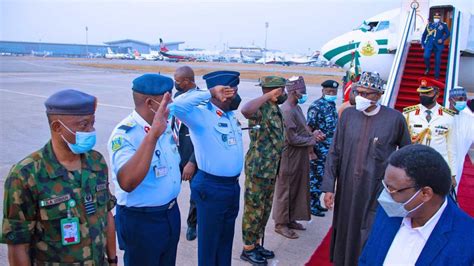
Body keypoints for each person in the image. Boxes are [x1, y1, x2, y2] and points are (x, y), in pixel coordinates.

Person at [1, 89, 117, 265]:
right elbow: (18, 245)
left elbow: (107, 215)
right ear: (57, 127)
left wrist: (113, 260)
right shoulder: (26, 175)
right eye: (83, 125)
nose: (91, 130)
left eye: (92, 123)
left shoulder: (96, 163)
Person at [322, 71, 411, 266]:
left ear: (378, 95)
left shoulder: (395, 119)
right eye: (358, 92)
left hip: (376, 189)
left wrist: (399, 188)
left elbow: (406, 154)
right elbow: (334, 152)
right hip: (347, 187)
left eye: (366, 93)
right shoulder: (348, 116)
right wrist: (329, 187)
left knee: (369, 230)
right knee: (344, 229)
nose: (360, 97)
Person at [359, 144, 474, 265]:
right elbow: (367, 259)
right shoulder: (389, 210)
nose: (386, 196)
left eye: (392, 189)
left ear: (425, 193)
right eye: (386, 186)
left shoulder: (467, 240)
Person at [108, 74, 180, 265]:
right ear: (150, 103)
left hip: (170, 214)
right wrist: (152, 136)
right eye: (167, 98)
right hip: (142, 221)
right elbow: (127, 182)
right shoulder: (125, 135)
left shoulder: (165, 125)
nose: (171, 102)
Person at [172, 70, 242, 266]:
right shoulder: (200, 116)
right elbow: (174, 107)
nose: (235, 96)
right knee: (209, 244)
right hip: (212, 186)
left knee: (225, 241)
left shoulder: (229, 115)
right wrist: (210, 92)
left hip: (231, 187)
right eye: (231, 91)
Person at [240, 76, 287, 265]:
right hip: (258, 168)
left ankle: (256, 243)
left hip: (271, 168)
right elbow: (245, 110)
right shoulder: (260, 108)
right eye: (281, 90)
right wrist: (267, 96)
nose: (284, 93)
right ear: (273, 91)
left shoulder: (275, 109)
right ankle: (248, 248)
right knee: (253, 209)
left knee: (264, 210)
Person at [273, 76, 321, 239]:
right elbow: (292, 138)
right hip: (289, 157)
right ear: (293, 92)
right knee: (285, 190)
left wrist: (312, 134)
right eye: (303, 91)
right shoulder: (286, 110)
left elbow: (302, 130)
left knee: (296, 189)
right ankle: (280, 224)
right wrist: (312, 139)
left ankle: (290, 219)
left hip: (299, 157)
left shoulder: (297, 108)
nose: (305, 94)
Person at [403, 77, 457, 187]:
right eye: (421, 93)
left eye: (427, 93)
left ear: (437, 94)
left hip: (439, 165)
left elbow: (452, 147)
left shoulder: (448, 117)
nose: (423, 96)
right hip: (414, 164)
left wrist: (452, 174)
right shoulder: (409, 113)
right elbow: (403, 143)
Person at [173, 66, 199, 241]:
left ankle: (192, 224)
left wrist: (192, 161)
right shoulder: (177, 97)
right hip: (175, 153)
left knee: (195, 194)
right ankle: (172, 222)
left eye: (178, 80)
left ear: (188, 81)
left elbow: (204, 136)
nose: (175, 83)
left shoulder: (202, 101)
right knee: (169, 191)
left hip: (192, 155)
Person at [307, 79, 339, 217]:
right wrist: (310, 151)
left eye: (334, 92)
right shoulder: (316, 106)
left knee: (322, 179)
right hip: (318, 150)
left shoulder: (331, 105)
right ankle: (311, 205)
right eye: (328, 91)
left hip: (328, 150)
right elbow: (309, 129)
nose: (331, 93)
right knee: (315, 178)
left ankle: (316, 204)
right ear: (323, 91)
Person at [448, 86, 474, 191]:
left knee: (453, 190)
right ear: (450, 100)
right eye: (459, 99)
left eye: (464, 99)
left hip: (458, 161)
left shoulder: (469, 119)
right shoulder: (441, 117)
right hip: (441, 160)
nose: (462, 102)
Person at [421, 12, 450, 80]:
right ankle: (428, 68)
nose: (436, 19)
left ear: (439, 18)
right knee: (426, 56)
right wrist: (423, 43)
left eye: (437, 18)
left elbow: (448, 33)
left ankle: (436, 76)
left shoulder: (443, 25)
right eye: (435, 17)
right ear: (433, 18)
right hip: (429, 44)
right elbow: (424, 35)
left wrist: (442, 39)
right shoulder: (429, 25)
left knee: (437, 60)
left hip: (438, 45)